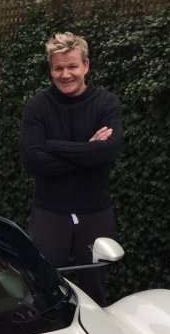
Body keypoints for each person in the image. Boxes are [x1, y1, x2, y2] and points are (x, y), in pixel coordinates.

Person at [19, 31, 123, 304]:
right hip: (50, 212)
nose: (66, 74)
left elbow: (107, 152)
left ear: (86, 65)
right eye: (59, 68)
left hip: (95, 211)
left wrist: (52, 145)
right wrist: (88, 149)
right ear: (51, 69)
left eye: (72, 66)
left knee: (96, 289)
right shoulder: (38, 107)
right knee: (43, 287)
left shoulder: (106, 104)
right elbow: (32, 161)